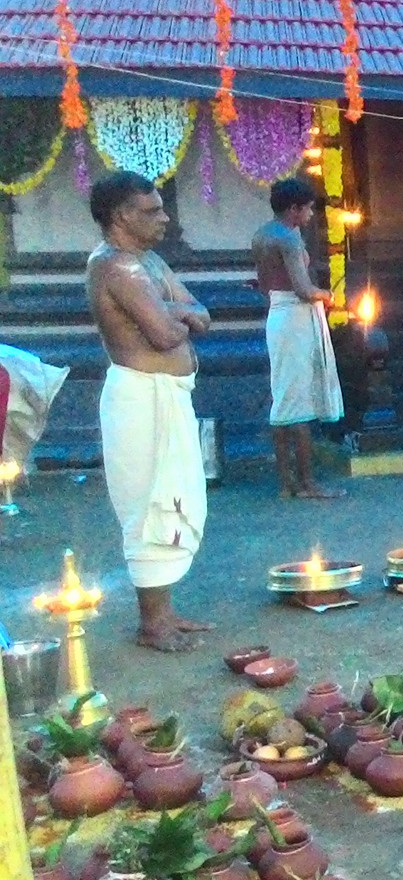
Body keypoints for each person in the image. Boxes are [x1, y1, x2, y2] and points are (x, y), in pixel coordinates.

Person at [85, 171, 213, 652]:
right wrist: (177, 314)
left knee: (174, 497)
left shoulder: (149, 262)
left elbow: (199, 310)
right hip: (140, 397)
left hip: (169, 394)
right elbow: (164, 334)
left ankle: (164, 611)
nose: (165, 218)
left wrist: (175, 312)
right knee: (149, 505)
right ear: (121, 216)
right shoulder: (118, 268)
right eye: (152, 210)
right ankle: (151, 623)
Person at [252, 177, 343, 500]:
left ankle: (287, 483)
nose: (309, 215)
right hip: (294, 317)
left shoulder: (262, 234)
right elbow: (304, 290)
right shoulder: (288, 238)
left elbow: (265, 284)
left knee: (283, 397)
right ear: (293, 209)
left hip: (278, 314)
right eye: (307, 209)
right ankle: (307, 484)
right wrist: (328, 294)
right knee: (296, 400)